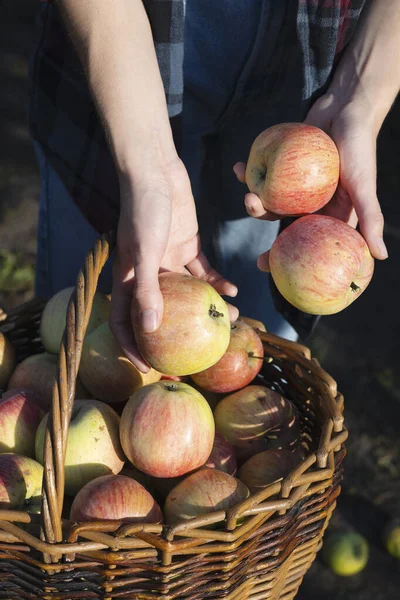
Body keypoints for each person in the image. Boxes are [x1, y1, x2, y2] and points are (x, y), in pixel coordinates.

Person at [29, 0, 398, 373]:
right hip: (126, 61)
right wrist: (146, 167)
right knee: (73, 331)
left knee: (254, 339)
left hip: (301, 72)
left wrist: (360, 94)